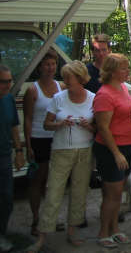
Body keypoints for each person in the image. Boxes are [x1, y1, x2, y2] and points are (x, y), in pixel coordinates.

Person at [27, 61, 96, 252]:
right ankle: (42, 236)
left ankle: (72, 231)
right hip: (60, 150)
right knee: (53, 193)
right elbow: (46, 124)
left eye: (69, 78)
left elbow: (97, 128)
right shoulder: (58, 98)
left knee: (79, 192)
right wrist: (59, 124)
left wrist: (86, 125)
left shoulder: (92, 98)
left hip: (84, 150)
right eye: (64, 77)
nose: (65, 81)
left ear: (81, 78)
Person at [93, 53, 131, 248]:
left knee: (117, 192)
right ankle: (104, 232)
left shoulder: (122, 89)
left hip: (128, 145)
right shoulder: (104, 94)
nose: (127, 71)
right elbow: (103, 127)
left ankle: (115, 229)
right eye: (123, 68)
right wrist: (116, 153)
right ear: (111, 71)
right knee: (112, 193)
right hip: (112, 149)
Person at [23, 48, 62, 235]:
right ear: (39, 67)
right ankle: (36, 219)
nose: (50, 67)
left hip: (57, 139)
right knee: (38, 180)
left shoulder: (60, 87)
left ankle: (51, 218)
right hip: (39, 139)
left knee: (54, 181)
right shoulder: (32, 90)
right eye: (46, 64)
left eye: (53, 64)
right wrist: (28, 145)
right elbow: (28, 119)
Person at [0, 65, 25, 253]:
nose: (7, 85)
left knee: (7, 198)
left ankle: (2, 233)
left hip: (4, 156)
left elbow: (14, 127)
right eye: (3, 82)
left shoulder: (8, 99)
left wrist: (18, 151)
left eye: (9, 81)